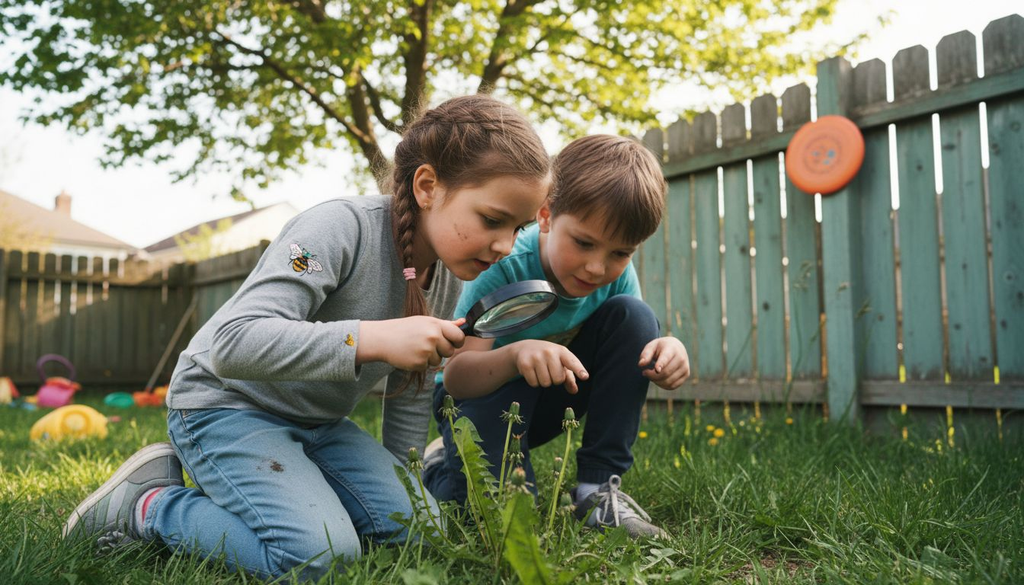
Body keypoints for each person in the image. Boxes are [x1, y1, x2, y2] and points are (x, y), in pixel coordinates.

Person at [62, 95, 553, 580]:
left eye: (519, 228)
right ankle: (150, 504)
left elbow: (413, 383)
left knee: (422, 533)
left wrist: (400, 481)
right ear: (427, 186)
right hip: (225, 406)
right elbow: (233, 342)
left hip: (320, 424)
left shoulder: (448, 274)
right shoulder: (336, 229)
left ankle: (283, 497)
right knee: (320, 558)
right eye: (493, 220)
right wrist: (369, 339)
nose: (505, 246)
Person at [422, 134, 690, 539]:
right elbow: (456, 378)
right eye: (584, 243)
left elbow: (631, 337)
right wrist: (516, 355)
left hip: (548, 401)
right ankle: (439, 465)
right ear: (546, 215)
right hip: (476, 404)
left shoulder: (614, 278)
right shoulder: (505, 264)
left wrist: (665, 349)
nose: (597, 267)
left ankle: (597, 489)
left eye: (620, 253)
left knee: (637, 318)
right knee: (502, 515)